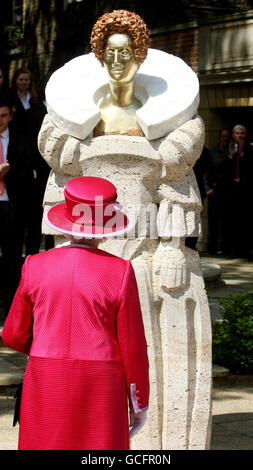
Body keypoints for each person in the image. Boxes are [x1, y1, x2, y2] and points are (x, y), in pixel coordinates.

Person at [0, 175, 149, 450]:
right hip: (102, 383)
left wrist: (46, 342)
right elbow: (133, 347)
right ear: (107, 225)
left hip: (45, 376)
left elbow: (12, 335)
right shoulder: (121, 271)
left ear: (67, 222)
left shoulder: (34, 265)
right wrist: (138, 402)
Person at [8, 67, 51, 255]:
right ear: (15, 81)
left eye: (27, 79)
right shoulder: (11, 100)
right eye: (21, 79)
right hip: (19, 152)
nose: (24, 82)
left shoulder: (35, 101)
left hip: (36, 152)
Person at [0, 98, 32, 315]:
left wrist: (8, 173)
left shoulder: (21, 140)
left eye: (3, 116)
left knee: (12, 257)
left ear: (10, 116)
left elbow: (28, 173)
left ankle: (11, 306)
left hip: (12, 205)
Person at [225, 124, 253, 259]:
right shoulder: (226, 149)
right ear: (233, 135)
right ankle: (232, 250)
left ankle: (246, 251)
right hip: (232, 191)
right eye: (237, 133)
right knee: (232, 222)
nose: (239, 136)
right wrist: (231, 156)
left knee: (246, 222)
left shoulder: (250, 150)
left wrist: (242, 153)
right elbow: (221, 168)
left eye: (242, 133)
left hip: (246, 191)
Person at [205, 128, 230, 255]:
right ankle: (212, 248)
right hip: (214, 191)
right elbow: (207, 171)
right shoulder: (212, 152)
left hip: (227, 192)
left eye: (227, 137)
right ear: (219, 138)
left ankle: (226, 248)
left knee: (226, 221)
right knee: (213, 221)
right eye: (223, 136)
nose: (224, 139)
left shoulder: (231, 152)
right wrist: (207, 188)